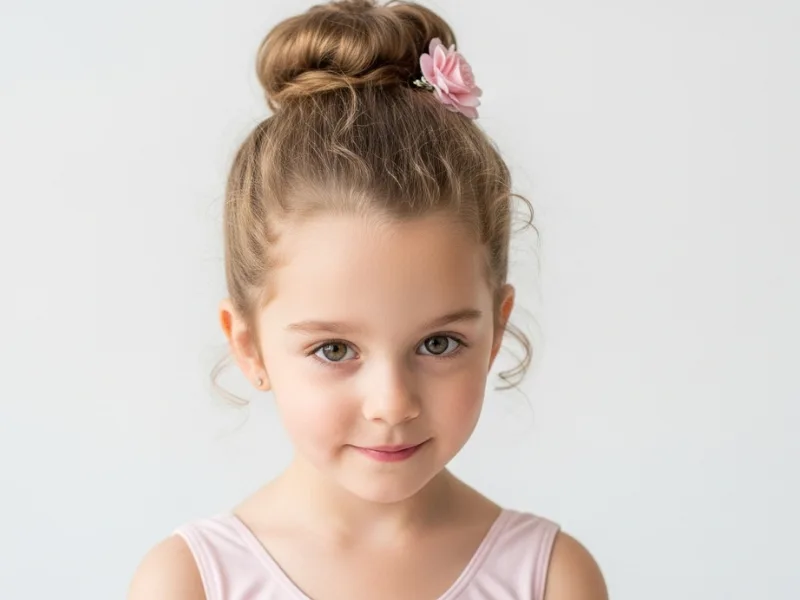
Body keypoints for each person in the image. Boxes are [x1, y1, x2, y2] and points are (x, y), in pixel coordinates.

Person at [129, 1, 608, 598]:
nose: (392, 405)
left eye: (439, 343)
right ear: (248, 347)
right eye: (334, 349)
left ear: (496, 330)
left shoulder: (551, 579)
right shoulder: (192, 583)